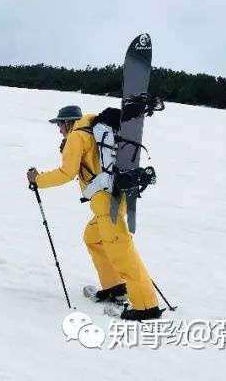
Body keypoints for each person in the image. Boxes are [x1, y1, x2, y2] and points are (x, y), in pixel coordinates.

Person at [27, 105, 162, 320]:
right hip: (116, 197)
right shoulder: (94, 130)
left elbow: (66, 173)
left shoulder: (77, 136)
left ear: (68, 122)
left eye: (60, 124)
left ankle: (146, 306)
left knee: (122, 252)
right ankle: (115, 286)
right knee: (93, 238)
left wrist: (38, 180)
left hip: (105, 202)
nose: (59, 130)